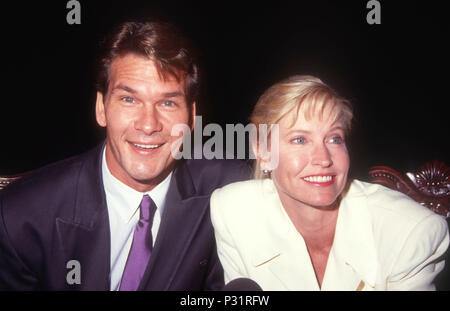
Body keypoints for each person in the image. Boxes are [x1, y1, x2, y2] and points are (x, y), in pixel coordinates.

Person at [0, 20, 250, 290]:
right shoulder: (20, 218)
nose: (148, 124)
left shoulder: (228, 185)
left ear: (191, 118)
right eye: (129, 99)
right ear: (101, 108)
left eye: (167, 103)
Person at [210, 75, 449, 290]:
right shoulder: (233, 211)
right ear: (262, 151)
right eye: (300, 139)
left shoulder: (411, 233)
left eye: (334, 139)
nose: (323, 159)